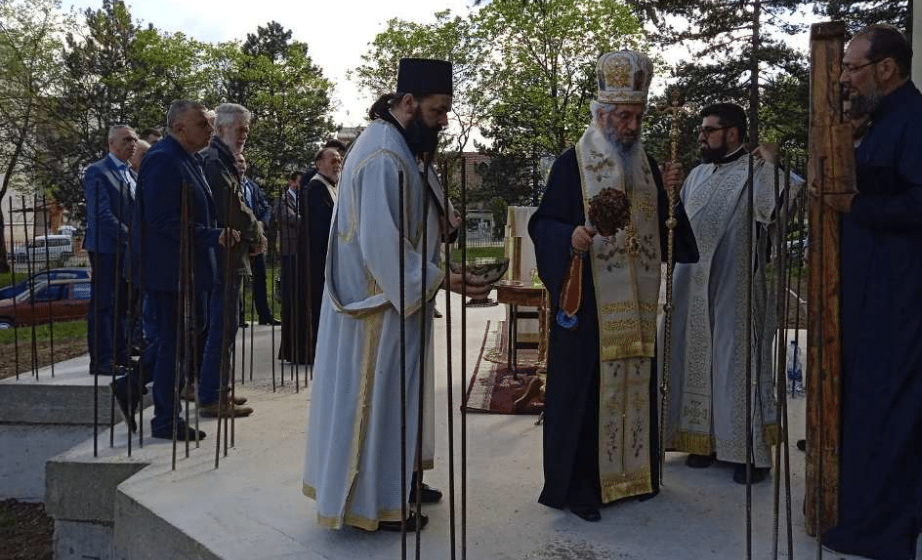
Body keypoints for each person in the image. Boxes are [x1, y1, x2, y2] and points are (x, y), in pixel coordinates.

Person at [301, 58, 488, 532]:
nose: (444, 119)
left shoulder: (398, 141)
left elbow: (422, 196)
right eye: (438, 109)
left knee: (401, 401)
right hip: (377, 309)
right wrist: (442, 278)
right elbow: (382, 244)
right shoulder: (383, 154)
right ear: (408, 103)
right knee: (378, 404)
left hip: (398, 301)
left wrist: (442, 230)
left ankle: (399, 479)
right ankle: (374, 503)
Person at [528, 50, 699, 522]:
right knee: (586, 392)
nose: (632, 126)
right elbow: (544, 225)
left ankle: (634, 475)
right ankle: (581, 488)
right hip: (589, 306)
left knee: (636, 387)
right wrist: (572, 237)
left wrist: (674, 198)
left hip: (638, 307)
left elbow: (671, 238)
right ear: (602, 114)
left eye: (638, 116)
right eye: (624, 116)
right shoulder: (573, 164)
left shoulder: (646, 169)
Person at [818, 25, 922, 560]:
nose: (847, 78)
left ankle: (880, 533)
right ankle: (900, 516)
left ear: (886, 68)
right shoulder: (883, 121)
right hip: (882, 295)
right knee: (883, 409)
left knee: (891, 410)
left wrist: (854, 205)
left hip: (905, 300)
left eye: (853, 67)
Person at [665, 102, 801, 485]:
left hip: (735, 284)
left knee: (735, 364)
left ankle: (748, 452)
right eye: (702, 131)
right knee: (697, 359)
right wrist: (668, 192)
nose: (703, 137)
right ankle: (703, 441)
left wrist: (774, 165)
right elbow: (678, 224)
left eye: (710, 130)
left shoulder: (758, 170)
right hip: (692, 284)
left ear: (733, 133)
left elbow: (779, 210)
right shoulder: (697, 175)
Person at [112, 100, 238, 440]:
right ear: (179, 127)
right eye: (202, 123)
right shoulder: (163, 160)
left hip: (188, 268)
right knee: (173, 343)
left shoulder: (190, 159)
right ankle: (166, 420)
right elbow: (162, 220)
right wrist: (212, 236)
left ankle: (131, 385)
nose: (210, 129)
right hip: (167, 270)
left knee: (183, 338)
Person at [198, 103, 260, 419]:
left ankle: (219, 389)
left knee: (228, 325)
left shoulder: (224, 161)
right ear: (221, 129)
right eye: (240, 129)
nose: (245, 135)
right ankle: (210, 395)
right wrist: (258, 232)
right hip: (222, 257)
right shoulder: (214, 162)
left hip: (230, 255)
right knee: (221, 328)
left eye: (246, 128)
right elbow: (232, 208)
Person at [83, 125, 138, 376]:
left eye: (135, 140)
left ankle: (121, 352)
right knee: (104, 304)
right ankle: (102, 359)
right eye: (127, 139)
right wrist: (132, 236)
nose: (133, 144)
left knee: (123, 304)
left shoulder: (131, 174)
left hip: (127, 249)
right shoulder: (98, 172)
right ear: (112, 143)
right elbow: (102, 214)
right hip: (106, 248)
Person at [300, 146, 344, 363]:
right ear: (319, 164)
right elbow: (321, 226)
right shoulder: (316, 188)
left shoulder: (332, 185)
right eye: (332, 159)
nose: (337, 162)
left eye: (339, 159)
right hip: (316, 258)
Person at [236, 154, 278, 326]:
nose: (241, 165)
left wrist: (262, 223)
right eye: (238, 162)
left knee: (260, 276)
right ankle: (238, 315)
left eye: (243, 162)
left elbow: (266, 206)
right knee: (239, 278)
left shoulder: (252, 185)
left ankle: (264, 315)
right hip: (239, 237)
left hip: (256, 237)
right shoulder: (229, 183)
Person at [278, 171, 309, 364]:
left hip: (301, 248)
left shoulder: (302, 198)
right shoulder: (283, 199)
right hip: (289, 249)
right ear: (291, 182)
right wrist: (305, 222)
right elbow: (287, 217)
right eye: (297, 182)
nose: (299, 186)